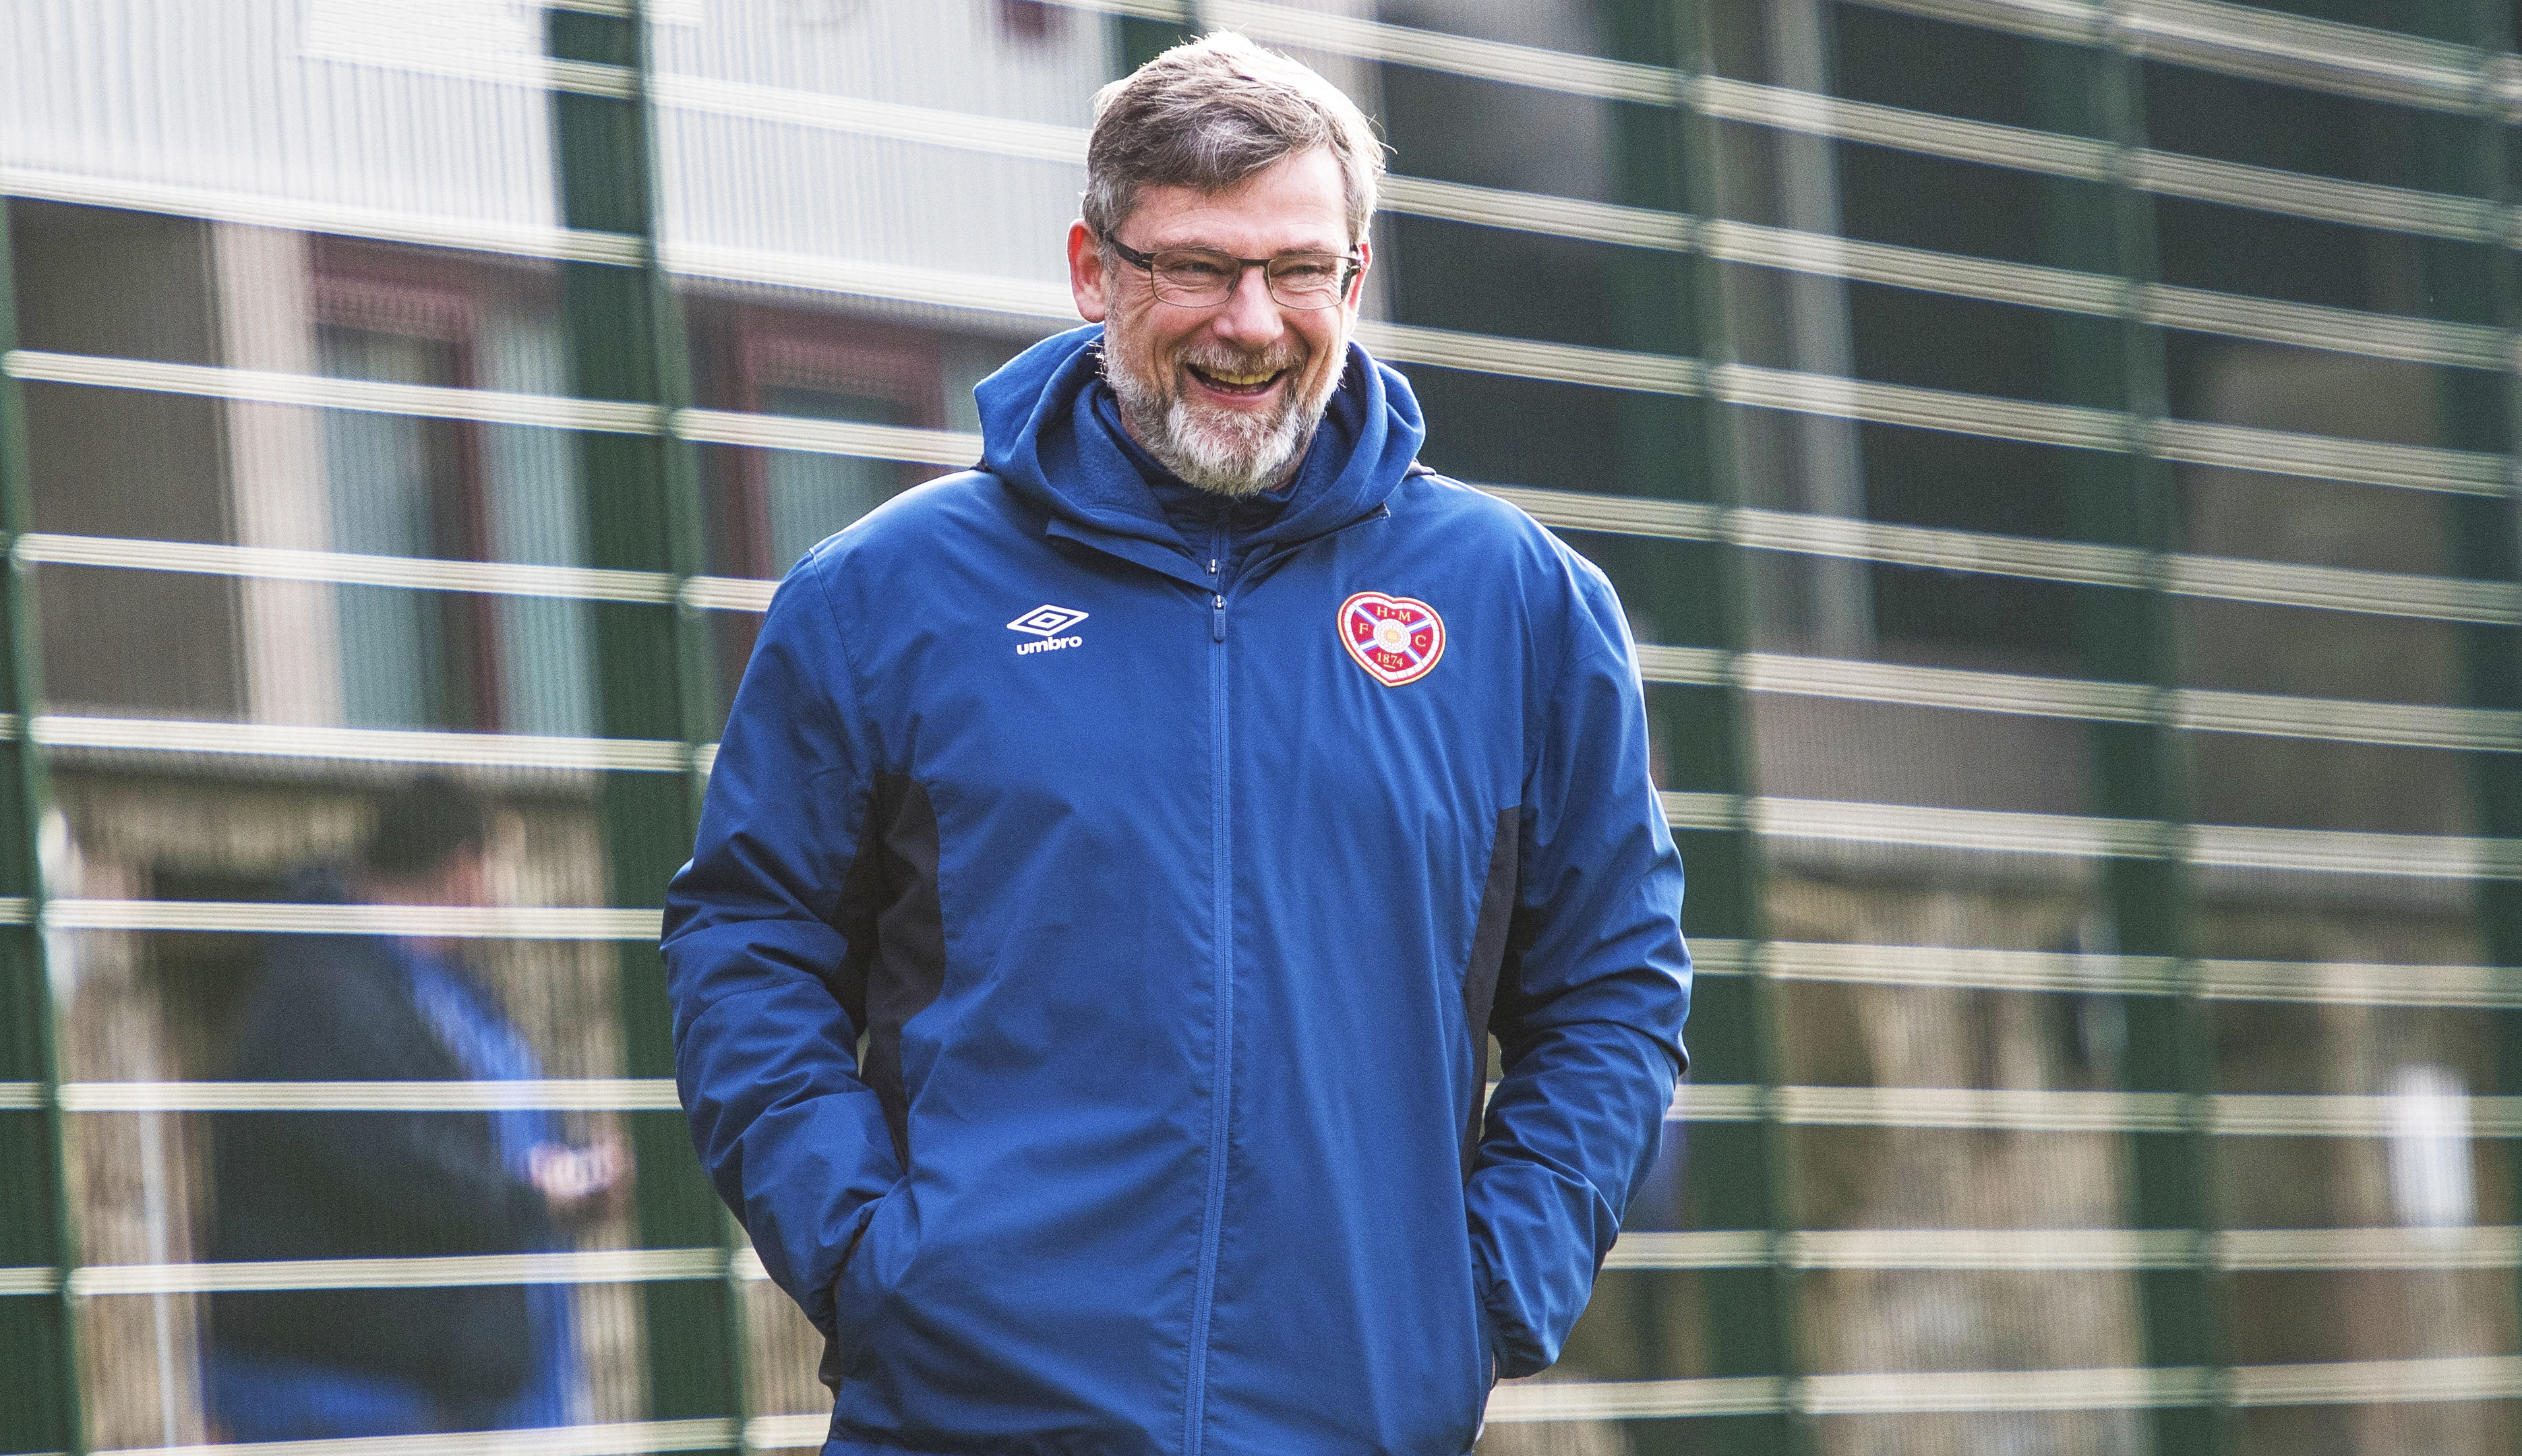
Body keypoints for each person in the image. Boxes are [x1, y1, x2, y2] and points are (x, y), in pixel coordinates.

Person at [663, 32, 1689, 1456]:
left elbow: (1613, 991)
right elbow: (749, 947)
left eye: (1296, 271)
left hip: (1359, 1414)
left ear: (1355, 274)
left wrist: (1483, 1296)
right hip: (966, 1413)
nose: (1250, 323)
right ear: (1093, 272)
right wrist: (872, 1264)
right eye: (1196, 267)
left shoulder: (1518, 604)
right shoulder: (884, 594)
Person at [206, 775, 624, 1438]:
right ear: (465, 868)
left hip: (461, 1391)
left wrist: (576, 1166)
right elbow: (394, 1161)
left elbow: (496, 1133)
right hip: (352, 1397)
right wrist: (537, 1198)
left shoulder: (450, 991)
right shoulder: (322, 992)